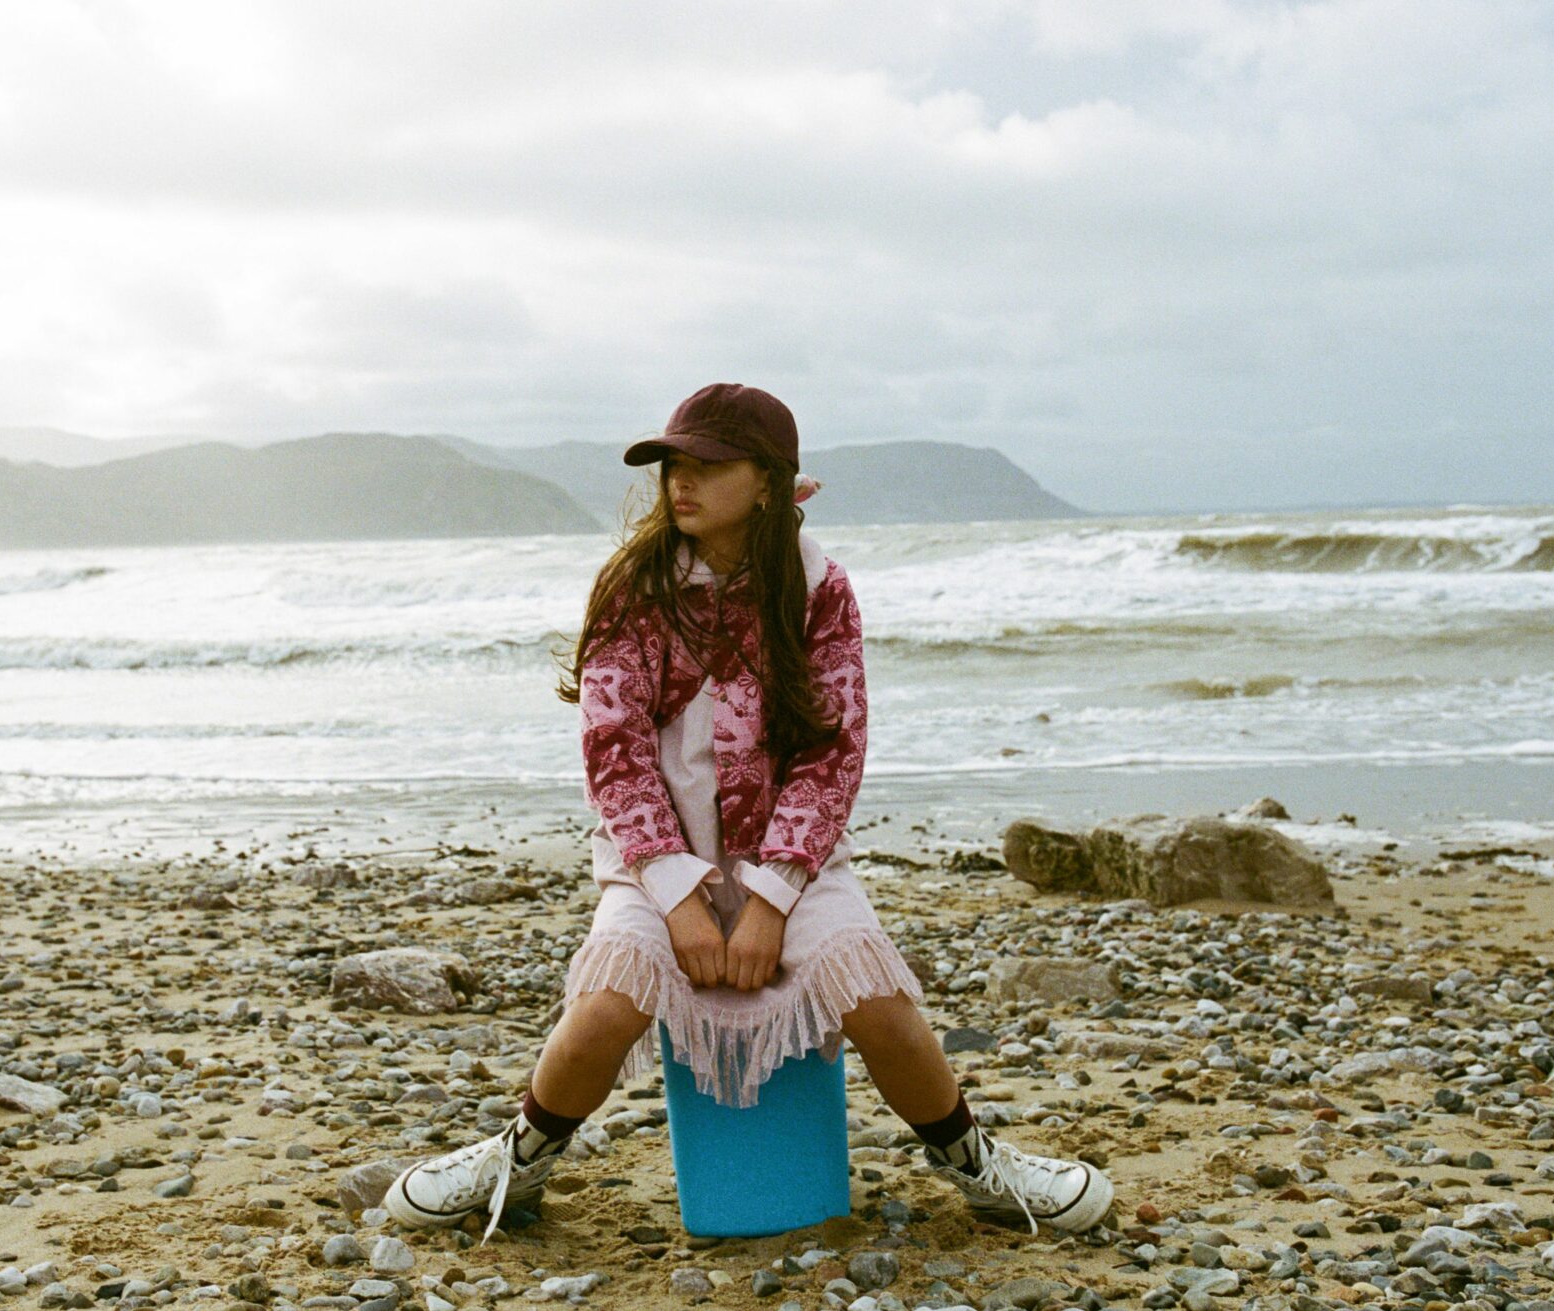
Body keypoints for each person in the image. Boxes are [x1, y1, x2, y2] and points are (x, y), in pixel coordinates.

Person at [384, 383, 1114, 1244]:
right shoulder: (635, 587)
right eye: (672, 465)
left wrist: (770, 895)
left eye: (707, 464)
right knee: (608, 1003)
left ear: (767, 480)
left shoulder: (819, 589)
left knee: (878, 1000)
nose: (681, 481)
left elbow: (833, 754)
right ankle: (519, 1161)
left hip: (794, 863)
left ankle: (978, 1167)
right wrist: (676, 893)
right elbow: (614, 752)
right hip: (653, 859)